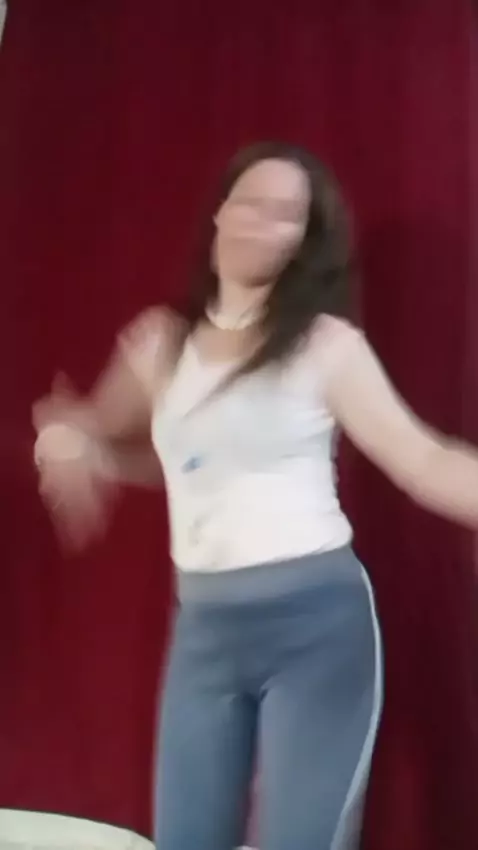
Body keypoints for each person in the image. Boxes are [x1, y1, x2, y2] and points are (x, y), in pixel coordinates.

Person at [33, 142, 478, 850]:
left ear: (303, 240)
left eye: (286, 215)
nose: (262, 223)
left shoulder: (325, 346)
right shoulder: (159, 345)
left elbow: (422, 458)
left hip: (318, 630)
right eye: (251, 203)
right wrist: (67, 440)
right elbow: (113, 438)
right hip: (205, 635)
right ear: (220, 212)